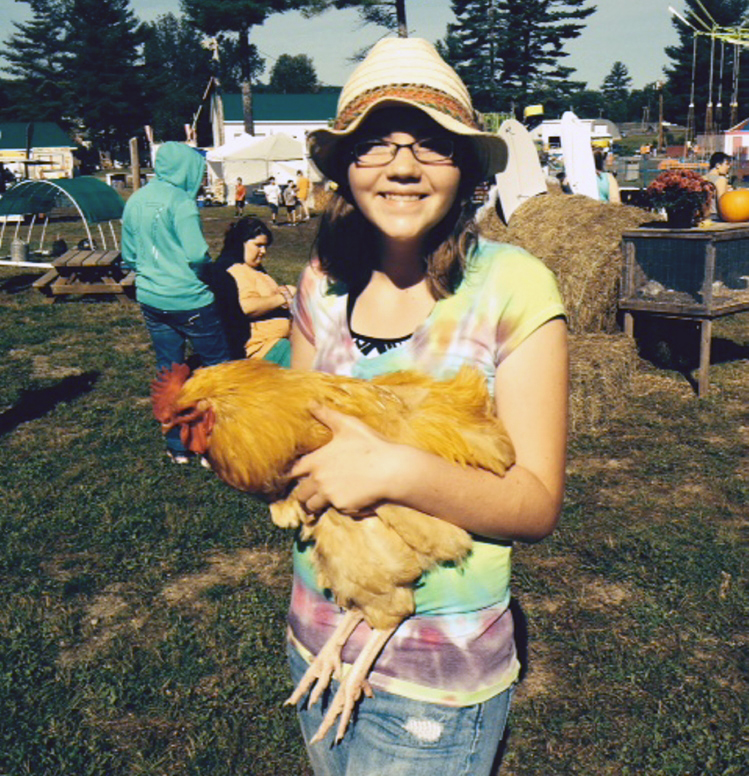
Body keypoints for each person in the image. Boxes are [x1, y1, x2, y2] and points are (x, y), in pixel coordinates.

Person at [286, 37, 568, 776]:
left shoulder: (514, 286)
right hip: (314, 638)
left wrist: (392, 470)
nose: (403, 166)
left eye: (431, 146)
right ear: (343, 168)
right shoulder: (321, 281)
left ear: (467, 169)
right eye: (376, 145)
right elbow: (292, 445)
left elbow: (534, 506)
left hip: (435, 683)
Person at [122, 141, 231, 465]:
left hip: (152, 299)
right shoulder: (181, 202)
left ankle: (176, 445)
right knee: (218, 371)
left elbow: (128, 256)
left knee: (170, 371)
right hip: (189, 299)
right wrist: (204, 274)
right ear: (186, 168)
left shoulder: (136, 199)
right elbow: (197, 253)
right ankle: (215, 443)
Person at [209, 217, 295, 366]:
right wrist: (283, 297)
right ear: (240, 243)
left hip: (279, 343)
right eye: (258, 245)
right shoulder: (235, 271)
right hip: (262, 349)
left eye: (266, 246)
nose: (263, 252)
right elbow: (246, 306)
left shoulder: (256, 270)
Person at [704, 151, 732, 217]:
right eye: (727, 164)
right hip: (716, 216)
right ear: (718, 165)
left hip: (704, 216)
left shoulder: (703, 178)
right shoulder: (721, 180)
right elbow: (722, 203)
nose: (728, 167)